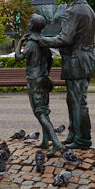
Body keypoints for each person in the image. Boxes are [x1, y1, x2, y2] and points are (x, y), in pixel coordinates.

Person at [38, 0, 95, 150]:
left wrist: (40, 39)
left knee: (78, 101)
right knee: (73, 100)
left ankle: (83, 139)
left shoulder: (74, 11)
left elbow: (64, 39)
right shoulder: (88, 9)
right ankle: (74, 134)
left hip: (76, 60)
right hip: (84, 59)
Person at [21, 13, 62, 153]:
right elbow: (50, 61)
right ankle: (45, 141)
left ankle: (55, 142)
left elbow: (18, 57)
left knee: (40, 113)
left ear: (32, 25)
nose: (28, 24)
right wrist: (45, 74)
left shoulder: (31, 43)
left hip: (34, 80)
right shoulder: (44, 42)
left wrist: (20, 42)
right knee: (44, 110)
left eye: (29, 21)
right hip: (44, 79)